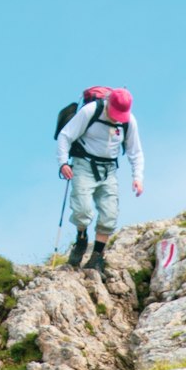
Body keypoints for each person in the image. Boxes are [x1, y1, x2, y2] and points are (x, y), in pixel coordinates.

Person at [57, 87, 144, 272]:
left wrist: (138, 177)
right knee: (82, 210)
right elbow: (65, 135)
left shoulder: (129, 121)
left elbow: (135, 152)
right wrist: (63, 163)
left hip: (109, 170)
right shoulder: (91, 111)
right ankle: (81, 241)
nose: (116, 117)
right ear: (109, 103)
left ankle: (97, 257)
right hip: (83, 165)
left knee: (109, 214)